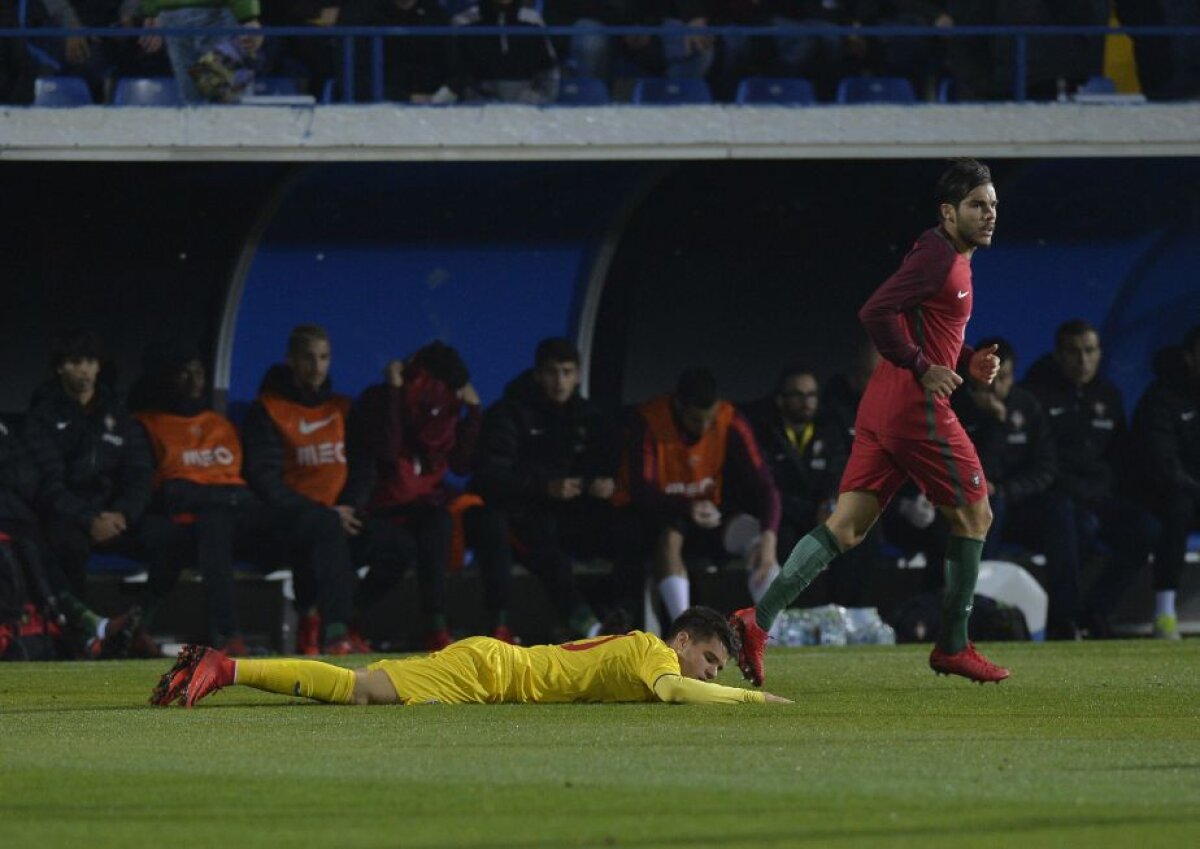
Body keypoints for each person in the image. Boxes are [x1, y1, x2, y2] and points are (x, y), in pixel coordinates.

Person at [731, 158, 1009, 686]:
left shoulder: (940, 251)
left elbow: (919, 321)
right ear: (949, 212)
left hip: (882, 407)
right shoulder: (940, 260)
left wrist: (965, 359)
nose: (990, 214)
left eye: (993, 204)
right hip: (914, 410)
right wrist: (924, 367)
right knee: (976, 518)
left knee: (847, 526)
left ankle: (757, 620)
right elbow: (875, 312)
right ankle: (952, 645)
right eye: (978, 205)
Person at [131, 341, 360, 654]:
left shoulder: (219, 424)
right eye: (183, 373)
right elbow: (161, 490)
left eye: (197, 372)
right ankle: (228, 636)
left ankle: (335, 632)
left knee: (322, 520)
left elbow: (247, 481)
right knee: (214, 524)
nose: (193, 381)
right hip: (193, 524)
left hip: (243, 512)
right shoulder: (146, 425)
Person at [150, 604, 791, 707]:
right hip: (490, 672)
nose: (709, 673)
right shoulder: (655, 654)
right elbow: (678, 691)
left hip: (496, 667)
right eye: (710, 660)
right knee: (362, 690)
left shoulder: (647, 649)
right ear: (682, 641)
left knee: (365, 688)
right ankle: (224, 666)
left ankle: (220, 666)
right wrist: (753, 698)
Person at [241, 324, 410, 654]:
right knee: (323, 531)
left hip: (341, 516)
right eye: (308, 358)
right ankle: (334, 633)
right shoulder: (267, 409)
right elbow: (264, 478)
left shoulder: (343, 409)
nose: (317, 366)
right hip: (288, 522)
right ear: (290, 360)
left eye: (324, 357)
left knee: (399, 546)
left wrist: (348, 507)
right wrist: (323, 513)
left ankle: (344, 616)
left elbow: (364, 466)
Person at [23, 329, 192, 656]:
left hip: (115, 518)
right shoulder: (41, 417)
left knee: (174, 539)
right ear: (60, 367)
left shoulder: (118, 416)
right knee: (62, 543)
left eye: (90, 362)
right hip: (69, 519)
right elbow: (46, 484)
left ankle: (135, 626)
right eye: (75, 362)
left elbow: (139, 473)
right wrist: (88, 519)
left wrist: (123, 513)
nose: (85, 370)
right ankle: (84, 636)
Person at [469, 337, 638, 640]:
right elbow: (490, 476)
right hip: (521, 515)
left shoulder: (589, 416)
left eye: (567, 372)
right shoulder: (509, 413)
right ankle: (591, 630)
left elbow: (607, 463)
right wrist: (545, 487)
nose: (559, 381)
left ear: (577, 375)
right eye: (551, 372)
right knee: (548, 552)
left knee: (632, 536)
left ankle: (621, 620)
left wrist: (601, 484)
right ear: (537, 374)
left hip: (574, 514)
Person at [1023, 319, 1160, 638]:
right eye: (1073, 352)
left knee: (1146, 528)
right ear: (1058, 356)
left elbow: (1119, 457)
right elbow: (1037, 460)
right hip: (1054, 497)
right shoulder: (1036, 395)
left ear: (1099, 353)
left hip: (1098, 496)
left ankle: (1096, 612)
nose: (1083, 360)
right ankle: (1064, 619)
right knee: (1068, 519)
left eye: (1089, 351)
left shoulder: (1108, 395)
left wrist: (1104, 489)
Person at [620, 367, 780, 627]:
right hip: (664, 511)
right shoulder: (650, 420)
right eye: (696, 420)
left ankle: (773, 633)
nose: (705, 427)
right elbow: (642, 489)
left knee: (755, 536)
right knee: (670, 539)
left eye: (710, 419)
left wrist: (769, 537)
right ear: (680, 408)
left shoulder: (730, 418)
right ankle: (684, 627)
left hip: (712, 511)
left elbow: (766, 486)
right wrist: (686, 506)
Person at [349, 341, 482, 650]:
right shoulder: (378, 399)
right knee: (401, 549)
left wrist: (474, 413)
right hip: (375, 508)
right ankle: (346, 622)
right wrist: (395, 392)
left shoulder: (445, 411)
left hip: (419, 508)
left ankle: (437, 628)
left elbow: (461, 465)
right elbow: (387, 450)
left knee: (439, 524)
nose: (435, 394)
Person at [952, 337, 1074, 636]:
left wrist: (1007, 490)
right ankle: (977, 616)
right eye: (989, 376)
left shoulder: (1026, 406)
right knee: (989, 507)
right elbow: (958, 463)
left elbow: (1045, 468)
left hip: (1017, 503)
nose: (995, 386)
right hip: (966, 509)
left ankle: (1065, 620)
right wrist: (993, 422)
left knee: (1061, 510)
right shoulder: (955, 406)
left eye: (1003, 377)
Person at [740, 364, 852, 604]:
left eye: (812, 395)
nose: (807, 402)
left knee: (853, 534)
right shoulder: (765, 432)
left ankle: (844, 610)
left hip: (819, 512)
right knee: (784, 537)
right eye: (799, 395)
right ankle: (784, 619)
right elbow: (766, 487)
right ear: (781, 400)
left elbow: (837, 472)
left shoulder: (829, 430)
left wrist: (829, 501)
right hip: (783, 515)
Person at [1128, 325, 1200, 640]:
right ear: (1189, 357)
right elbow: (1162, 461)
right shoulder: (1161, 396)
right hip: (1168, 494)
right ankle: (1165, 613)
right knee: (1178, 508)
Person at [138, 0, 264, 103]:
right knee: (229, 102)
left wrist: (150, 10)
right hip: (215, 13)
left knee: (193, 104)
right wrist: (249, 16)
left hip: (173, 14)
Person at [333, 0, 454, 103]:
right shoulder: (362, 13)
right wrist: (404, 98)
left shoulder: (435, 14)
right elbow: (351, 76)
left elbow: (456, 70)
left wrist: (445, 93)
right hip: (379, 105)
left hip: (436, 104)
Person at [449, 0, 560, 104]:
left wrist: (535, 100)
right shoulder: (463, 22)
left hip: (529, 110)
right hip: (479, 111)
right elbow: (458, 74)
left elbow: (548, 71)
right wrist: (479, 101)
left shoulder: (533, 21)